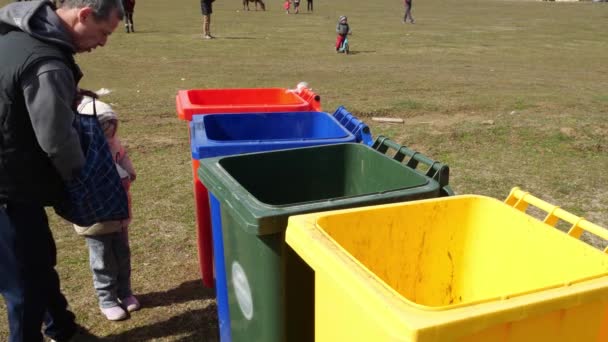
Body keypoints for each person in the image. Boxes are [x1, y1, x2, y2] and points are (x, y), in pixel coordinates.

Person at [0, 0, 123, 341]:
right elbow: (56, 139)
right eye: (102, 32)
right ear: (83, 14)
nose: (102, 42)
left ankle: (62, 327)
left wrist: (68, 93)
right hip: (9, 187)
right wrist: (80, 179)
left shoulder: (15, 37)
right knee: (24, 283)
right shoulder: (46, 62)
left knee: (37, 261)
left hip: (16, 179)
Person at [75, 97, 139, 321]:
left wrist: (129, 170)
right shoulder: (83, 150)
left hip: (120, 212)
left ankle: (126, 292)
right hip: (96, 217)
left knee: (122, 254)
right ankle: (107, 299)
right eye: (104, 127)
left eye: (112, 125)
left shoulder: (114, 144)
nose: (109, 131)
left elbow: (122, 158)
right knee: (102, 259)